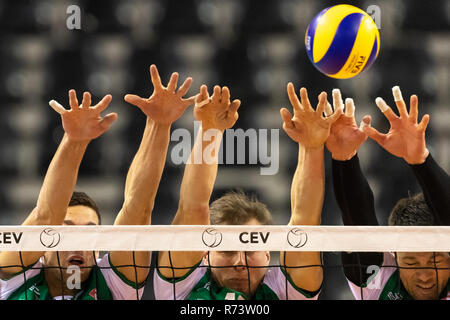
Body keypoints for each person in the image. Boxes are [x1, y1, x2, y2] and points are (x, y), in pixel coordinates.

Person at [0, 64, 196, 300]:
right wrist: (74, 141)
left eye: (89, 233)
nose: (79, 242)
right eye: (67, 230)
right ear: (44, 243)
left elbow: (138, 207)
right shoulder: (14, 275)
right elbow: (45, 216)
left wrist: (160, 124)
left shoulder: (115, 283)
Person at [155, 83, 341, 300]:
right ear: (206, 255)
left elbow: (305, 222)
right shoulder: (183, 286)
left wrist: (312, 147)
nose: (240, 263)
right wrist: (209, 130)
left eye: (250, 249)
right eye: (227, 251)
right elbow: (192, 209)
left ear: (267, 253)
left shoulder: (283, 290)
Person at [326, 86, 450, 300]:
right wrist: (344, 158)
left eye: (435, 261)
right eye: (410, 262)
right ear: (395, 256)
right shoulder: (379, 280)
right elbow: (358, 219)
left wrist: (421, 161)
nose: (424, 275)